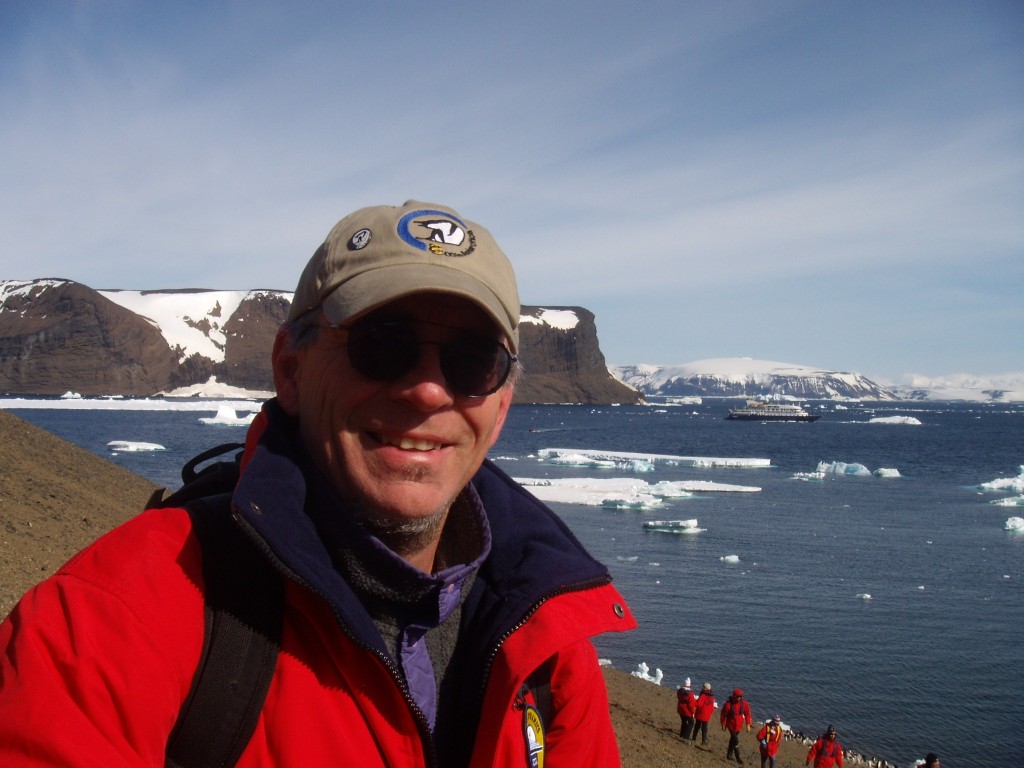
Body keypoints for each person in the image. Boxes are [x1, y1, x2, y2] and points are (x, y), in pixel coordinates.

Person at [0, 201, 637, 766]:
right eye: (382, 345)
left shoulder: (547, 652)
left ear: (499, 408)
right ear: (291, 370)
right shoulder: (120, 617)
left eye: (473, 361)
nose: (427, 390)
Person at [720, 687, 753, 763]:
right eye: (737, 696)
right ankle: (738, 758)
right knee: (736, 741)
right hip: (731, 725)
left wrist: (748, 724)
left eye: (740, 696)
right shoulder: (728, 704)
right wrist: (723, 723)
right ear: (734, 696)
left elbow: (747, 714)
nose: (739, 698)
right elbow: (723, 714)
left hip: (739, 725)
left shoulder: (744, 703)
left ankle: (729, 754)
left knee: (732, 739)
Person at [691, 681, 717, 746]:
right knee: (704, 728)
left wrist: (694, 700)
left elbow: (698, 704)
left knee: (697, 726)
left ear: (705, 689)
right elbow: (712, 707)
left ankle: (694, 738)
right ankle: (703, 741)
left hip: (700, 713)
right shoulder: (712, 697)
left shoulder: (703, 695)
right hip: (707, 715)